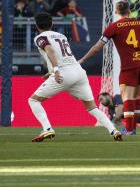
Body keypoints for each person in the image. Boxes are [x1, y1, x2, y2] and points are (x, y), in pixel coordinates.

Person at [28, 12, 122, 142]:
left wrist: (55, 70)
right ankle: (113, 130)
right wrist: (51, 71)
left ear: (37, 26)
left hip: (63, 74)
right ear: (52, 23)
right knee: (92, 107)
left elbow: (50, 50)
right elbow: (64, 57)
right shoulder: (61, 36)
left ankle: (47, 129)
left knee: (33, 100)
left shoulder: (40, 37)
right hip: (79, 72)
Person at [79, 1, 140, 135]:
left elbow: (98, 47)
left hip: (129, 65)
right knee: (136, 96)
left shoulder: (114, 27)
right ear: (129, 11)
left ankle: (129, 129)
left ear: (116, 12)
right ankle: (133, 126)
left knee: (127, 97)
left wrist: (83, 59)